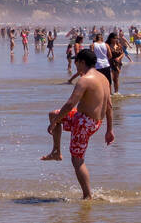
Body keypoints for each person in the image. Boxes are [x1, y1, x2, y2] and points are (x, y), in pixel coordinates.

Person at [40, 48, 114, 199]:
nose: (75, 65)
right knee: (53, 114)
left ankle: (87, 196)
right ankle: (56, 151)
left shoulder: (84, 80)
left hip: (84, 123)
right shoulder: (104, 78)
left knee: (77, 160)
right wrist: (109, 130)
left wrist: (54, 123)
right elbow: (109, 106)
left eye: (76, 62)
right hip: (92, 120)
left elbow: (69, 104)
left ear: (82, 62)